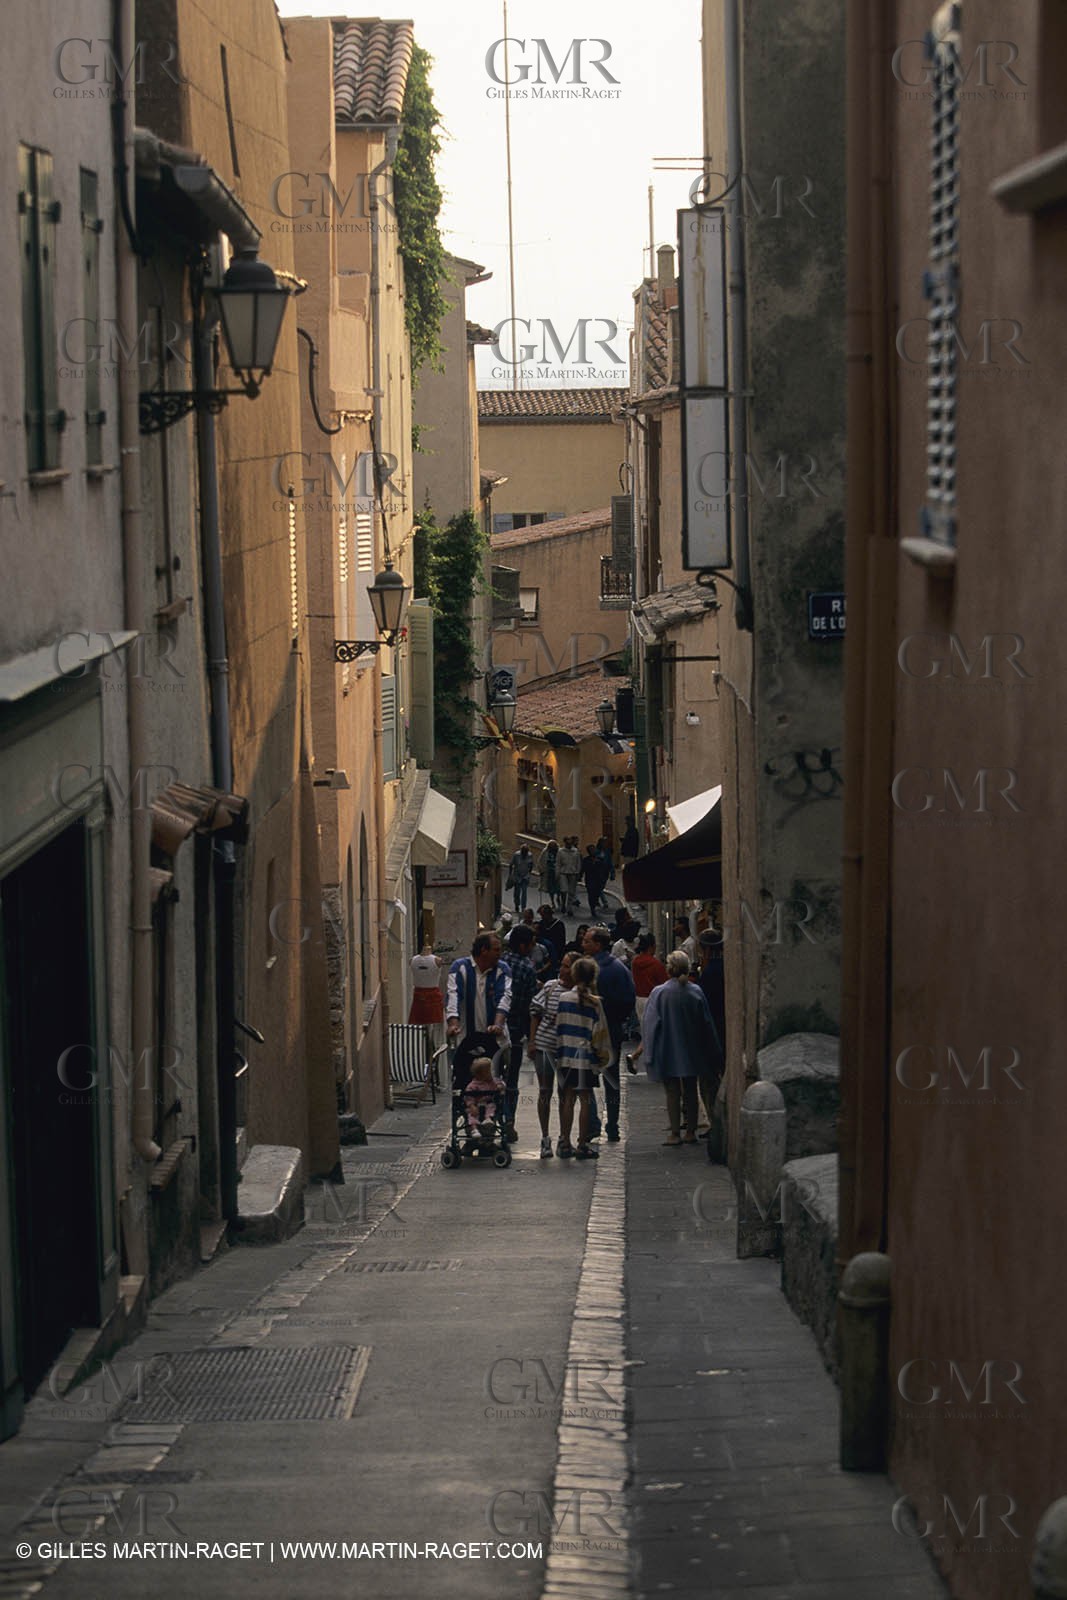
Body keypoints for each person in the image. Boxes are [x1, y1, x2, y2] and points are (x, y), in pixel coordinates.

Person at [642, 950, 724, 1145]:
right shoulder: (695, 991)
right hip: (691, 1047)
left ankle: (675, 1133)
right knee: (690, 1089)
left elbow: (650, 1023)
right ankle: (691, 1131)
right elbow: (706, 1023)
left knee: (672, 1091)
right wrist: (714, 1050)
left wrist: (649, 1052)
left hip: (667, 1047)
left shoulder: (659, 993)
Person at [582, 926, 636, 1143]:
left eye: (587, 941)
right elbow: (628, 1000)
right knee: (611, 1079)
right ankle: (611, 1125)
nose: (583, 944)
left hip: (594, 1029)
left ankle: (593, 1123)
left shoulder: (593, 969)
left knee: (586, 1078)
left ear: (597, 945)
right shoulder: (619, 967)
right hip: (613, 1029)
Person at [555, 957, 612, 1160]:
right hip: (585, 1059)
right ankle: (582, 1143)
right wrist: (602, 1057)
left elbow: (559, 1029)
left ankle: (564, 1141)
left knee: (567, 1100)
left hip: (566, 1057)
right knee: (585, 1101)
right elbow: (600, 1034)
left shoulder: (563, 999)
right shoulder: (595, 1003)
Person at [446, 932, 512, 1087]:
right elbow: (453, 995)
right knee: (464, 1082)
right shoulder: (460, 968)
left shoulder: (502, 970)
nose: (499, 954)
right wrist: (453, 1024)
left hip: (494, 1040)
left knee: (496, 1084)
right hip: (465, 1039)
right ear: (484, 950)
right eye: (496, 950)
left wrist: (498, 1025)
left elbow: (505, 997)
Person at [528, 950, 574, 1158]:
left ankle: (565, 1138)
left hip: (567, 1049)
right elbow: (535, 1014)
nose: (561, 970)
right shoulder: (550, 987)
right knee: (545, 1091)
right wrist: (532, 1041)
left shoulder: (579, 992)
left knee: (566, 1094)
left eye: (566, 966)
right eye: (562, 965)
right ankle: (545, 1137)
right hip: (545, 1045)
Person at [502, 925, 539, 1141]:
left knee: (492, 1076)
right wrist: (531, 1037)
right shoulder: (527, 967)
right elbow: (529, 1005)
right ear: (523, 945)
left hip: (494, 1028)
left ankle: (489, 1118)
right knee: (512, 1080)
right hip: (515, 1030)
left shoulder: (501, 962)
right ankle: (509, 1120)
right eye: (531, 944)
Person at [625, 932, 669, 1072]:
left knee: (648, 1030)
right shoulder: (655, 964)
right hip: (653, 999)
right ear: (651, 946)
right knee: (654, 1031)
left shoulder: (636, 962)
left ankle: (639, 1057)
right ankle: (639, 1057)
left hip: (639, 999)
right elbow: (664, 982)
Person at [464, 1055, 506, 1144]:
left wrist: (500, 1086)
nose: (492, 1073)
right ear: (481, 1074)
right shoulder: (473, 1085)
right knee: (471, 1115)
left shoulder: (493, 1082)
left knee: (491, 1108)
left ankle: (488, 1119)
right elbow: (469, 1097)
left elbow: (501, 1086)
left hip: (488, 1104)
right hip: (476, 1105)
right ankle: (474, 1129)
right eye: (489, 1071)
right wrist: (471, 1106)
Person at [581, 845, 610, 920]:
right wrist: (580, 876)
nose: (593, 851)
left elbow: (605, 869)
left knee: (596, 894)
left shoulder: (600, 859)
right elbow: (583, 869)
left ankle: (594, 903)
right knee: (591, 894)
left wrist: (605, 877)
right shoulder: (586, 860)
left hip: (598, 880)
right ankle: (592, 908)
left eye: (594, 850)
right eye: (591, 850)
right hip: (590, 880)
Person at [556, 837, 581, 914]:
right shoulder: (560, 851)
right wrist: (557, 874)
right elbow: (558, 864)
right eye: (568, 843)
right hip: (563, 873)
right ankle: (563, 904)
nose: (569, 845)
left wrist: (578, 872)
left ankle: (569, 907)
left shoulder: (575, 851)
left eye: (570, 843)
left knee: (571, 891)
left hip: (573, 873)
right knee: (563, 890)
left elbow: (578, 863)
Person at [507, 844, 534, 913]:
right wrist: (510, 875)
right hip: (517, 876)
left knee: (524, 892)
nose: (525, 854)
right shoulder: (516, 855)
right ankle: (517, 904)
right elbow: (511, 865)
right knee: (517, 892)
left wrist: (529, 873)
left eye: (526, 852)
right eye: (523, 852)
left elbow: (531, 865)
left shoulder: (530, 855)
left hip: (525, 877)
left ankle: (523, 907)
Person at [537, 840, 560, 907]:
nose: (552, 847)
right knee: (551, 889)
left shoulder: (559, 851)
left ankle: (558, 898)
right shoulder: (545, 851)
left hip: (558, 872)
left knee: (559, 887)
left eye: (553, 846)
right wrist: (541, 870)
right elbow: (540, 860)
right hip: (549, 872)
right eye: (551, 846)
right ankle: (552, 901)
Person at [595, 838, 615, 910]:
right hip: (598, 873)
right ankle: (605, 902)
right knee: (599, 887)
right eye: (603, 843)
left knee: (601, 887)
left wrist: (612, 873)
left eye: (605, 843)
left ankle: (596, 899)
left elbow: (610, 863)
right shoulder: (596, 851)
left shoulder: (607, 852)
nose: (604, 844)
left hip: (605, 872)